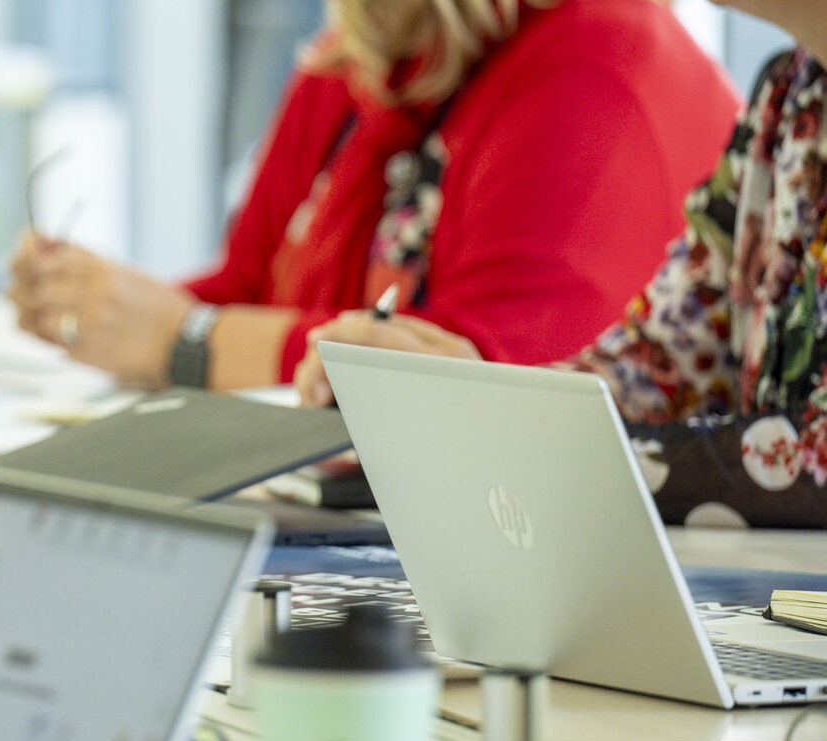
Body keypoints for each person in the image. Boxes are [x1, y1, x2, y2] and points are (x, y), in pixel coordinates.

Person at [6, 0, 739, 392]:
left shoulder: (594, 64)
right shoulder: (357, 47)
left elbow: (475, 384)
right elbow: (244, 290)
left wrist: (182, 343)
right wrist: (104, 309)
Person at [296, 1, 827, 527]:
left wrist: (515, 441)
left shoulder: (588, 56)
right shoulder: (791, 91)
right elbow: (664, 365)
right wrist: (476, 398)